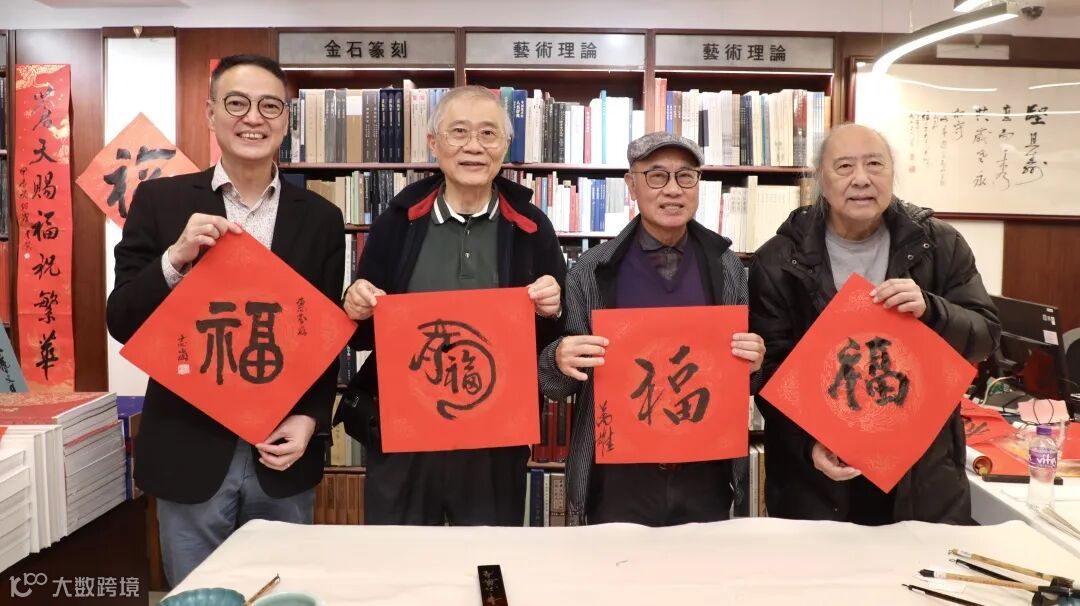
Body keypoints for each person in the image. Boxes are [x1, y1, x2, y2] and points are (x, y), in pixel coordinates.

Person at [106, 55, 344, 586]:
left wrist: (310, 419)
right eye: (237, 103)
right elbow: (121, 319)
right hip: (189, 447)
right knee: (201, 594)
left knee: (283, 593)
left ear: (287, 119)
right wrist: (175, 258)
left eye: (269, 106)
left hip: (281, 450)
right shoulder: (161, 201)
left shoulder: (322, 219)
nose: (253, 118)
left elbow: (325, 337)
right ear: (211, 113)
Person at [749, 123, 1000, 525]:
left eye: (874, 164)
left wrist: (933, 311)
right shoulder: (779, 259)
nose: (861, 179)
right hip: (818, 479)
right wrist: (808, 444)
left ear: (892, 173)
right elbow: (770, 370)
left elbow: (985, 336)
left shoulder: (939, 245)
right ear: (820, 179)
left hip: (921, 472)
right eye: (844, 166)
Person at [337, 85, 565, 526]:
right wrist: (355, 303)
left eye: (488, 133)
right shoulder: (397, 223)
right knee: (400, 557)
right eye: (459, 132)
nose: (473, 146)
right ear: (433, 143)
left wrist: (552, 308)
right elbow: (363, 335)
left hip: (493, 437)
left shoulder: (532, 226)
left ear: (505, 145)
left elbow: (556, 339)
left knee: (486, 555)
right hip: (404, 433)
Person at [538, 132, 766, 526]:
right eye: (657, 176)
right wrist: (559, 359)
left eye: (685, 176)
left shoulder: (726, 267)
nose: (673, 190)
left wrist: (754, 361)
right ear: (631, 185)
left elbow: (743, 379)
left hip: (704, 472)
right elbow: (558, 388)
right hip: (620, 478)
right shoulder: (591, 271)